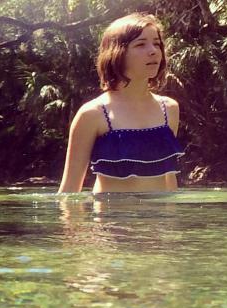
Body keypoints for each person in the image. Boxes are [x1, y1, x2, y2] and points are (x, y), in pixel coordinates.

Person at [58, 13, 183, 194]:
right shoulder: (92, 114)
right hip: (110, 221)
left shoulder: (170, 109)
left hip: (160, 221)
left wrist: (175, 220)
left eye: (157, 43)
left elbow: (169, 177)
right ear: (117, 53)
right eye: (141, 44)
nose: (153, 51)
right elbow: (69, 191)